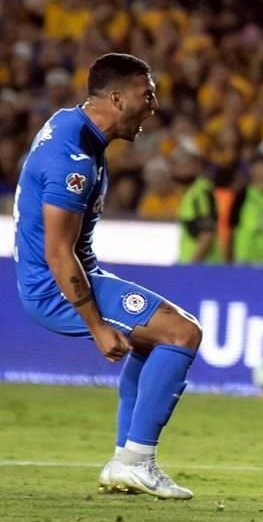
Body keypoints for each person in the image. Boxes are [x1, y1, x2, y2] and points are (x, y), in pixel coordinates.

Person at [13, 53, 200, 499]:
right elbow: (60, 253)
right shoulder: (73, 158)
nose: (153, 105)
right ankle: (136, 461)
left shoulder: (72, 124)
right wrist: (98, 327)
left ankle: (126, 461)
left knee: (155, 337)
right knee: (182, 334)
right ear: (116, 98)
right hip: (54, 285)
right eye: (146, 94)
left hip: (63, 274)